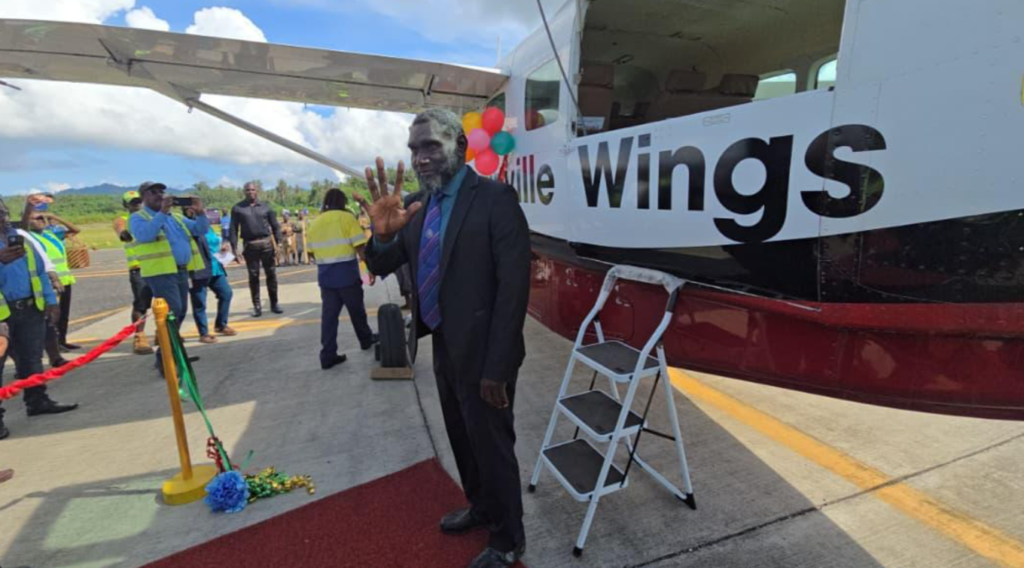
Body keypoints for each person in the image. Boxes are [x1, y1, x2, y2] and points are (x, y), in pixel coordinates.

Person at [358, 108, 531, 568]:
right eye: (414, 149)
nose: (420, 158)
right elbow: (379, 264)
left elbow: (514, 288)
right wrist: (379, 236)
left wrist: (499, 366)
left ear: (459, 144)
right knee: (461, 435)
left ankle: (508, 537)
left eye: (430, 146)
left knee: (493, 445)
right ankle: (481, 506)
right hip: (444, 344)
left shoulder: (495, 198)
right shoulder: (417, 206)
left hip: (486, 353)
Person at [0, 197, 78, 440]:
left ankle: (37, 401)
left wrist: (51, 301)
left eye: (3, 212)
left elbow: (39, 271)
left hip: (29, 307)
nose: (1, 217)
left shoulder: (21, 237)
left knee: (32, 358)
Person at [128, 182, 208, 372]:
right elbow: (146, 235)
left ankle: (172, 354)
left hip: (179, 270)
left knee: (178, 313)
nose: (159, 195)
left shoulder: (176, 217)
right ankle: (165, 358)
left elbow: (200, 229)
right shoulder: (138, 218)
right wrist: (162, 213)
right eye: (153, 192)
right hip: (160, 273)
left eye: (162, 192)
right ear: (144, 197)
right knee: (174, 312)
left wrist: (200, 213)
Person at [307, 189, 378, 370]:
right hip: (346, 274)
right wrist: (370, 269)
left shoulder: (315, 223)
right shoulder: (347, 218)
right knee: (357, 312)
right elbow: (360, 247)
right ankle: (365, 340)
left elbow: (311, 253)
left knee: (329, 317)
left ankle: (327, 355)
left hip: (326, 277)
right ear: (343, 202)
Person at [21, 203, 75, 369]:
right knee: (30, 328)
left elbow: (45, 262)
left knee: (52, 320)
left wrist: (54, 278)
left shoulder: (49, 235)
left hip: (55, 281)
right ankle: (24, 367)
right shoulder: (26, 236)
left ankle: (55, 355)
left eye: (42, 217)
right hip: (36, 286)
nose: (41, 220)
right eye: (36, 218)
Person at [229, 182, 282, 317]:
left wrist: (279, 244)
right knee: (254, 277)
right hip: (250, 246)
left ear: (257, 191)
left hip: (266, 245)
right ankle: (256, 306)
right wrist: (234, 248)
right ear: (244, 192)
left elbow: (275, 226)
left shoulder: (266, 207)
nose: (250, 192)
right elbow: (233, 229)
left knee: (271, 274)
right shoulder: (237, 208)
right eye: (247, 190)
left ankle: (274, 303)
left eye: (253, 189)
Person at [183, 207, 235, 344]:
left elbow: (212, 241)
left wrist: (222, 247)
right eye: (191, 208)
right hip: (199, 268)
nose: (196, 210)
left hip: (215, 267)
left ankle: (220, 324)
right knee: (200, 302)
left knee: (226, 293)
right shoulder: (187, 226)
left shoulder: (206, 225)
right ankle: (203, 333)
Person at [114, 191, 155, 355]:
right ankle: (139, 336)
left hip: (157, 265)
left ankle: (164, 333)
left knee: (164, 302)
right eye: (133, 202)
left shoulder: (150, 217)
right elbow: (123, 234)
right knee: (141, 304)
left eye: (139, 201)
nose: (137, 204)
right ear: (126, 205)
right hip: (139, 268)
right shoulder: (123, 220)